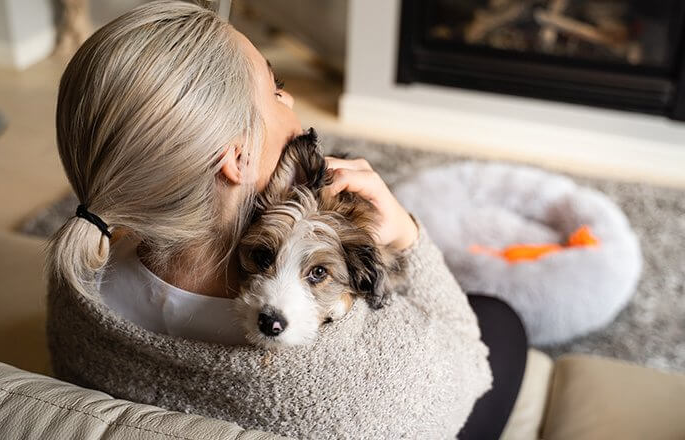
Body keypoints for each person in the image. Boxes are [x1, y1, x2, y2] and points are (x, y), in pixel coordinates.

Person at [45, 2, 526, 438]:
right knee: (500, 320)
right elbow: (473, 361)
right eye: (275, 91)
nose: (291, 100)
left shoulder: (78, 282)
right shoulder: (356, 378)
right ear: (235, 159)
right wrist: (406, 235)